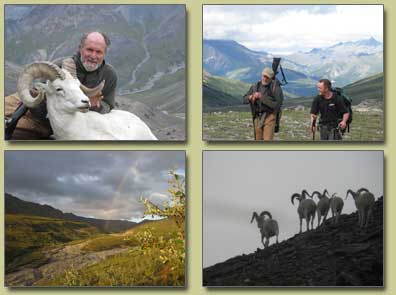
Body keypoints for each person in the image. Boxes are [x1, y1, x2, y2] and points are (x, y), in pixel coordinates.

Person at [5, 31, 117, 139]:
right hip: (32, 102)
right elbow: (37, 95)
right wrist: (34, 98)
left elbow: (108, 106)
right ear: (80, 48)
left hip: (48, 119)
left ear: (104, 53)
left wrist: (96, 106)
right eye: (89, 50)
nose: (93, 56)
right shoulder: (60, 66)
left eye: (99, 52)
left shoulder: (109, 75)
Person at [243, 67, 284, 140]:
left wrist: (261, 97)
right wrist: (251, 97)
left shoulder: (276, 88)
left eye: (267, 77)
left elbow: (277, 105)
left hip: (270, 117)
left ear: (271, 78)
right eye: (263, 76)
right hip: (257, 117)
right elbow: (244, 99)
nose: (264, 78)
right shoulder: (255, 86)